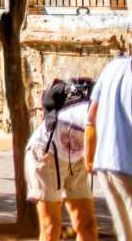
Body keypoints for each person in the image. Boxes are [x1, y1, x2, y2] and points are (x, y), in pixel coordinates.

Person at [28, 77, 98, 241]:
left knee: (87, 224)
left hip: (77, 154)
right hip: (46, 153)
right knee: (51, 228)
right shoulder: (108, 105)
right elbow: (91, 128)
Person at [91, 54, 132, 239]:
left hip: (104, 161)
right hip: (127, 164)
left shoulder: (112, 68)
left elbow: (91, 115)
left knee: (125, 234)